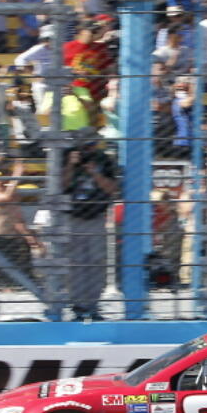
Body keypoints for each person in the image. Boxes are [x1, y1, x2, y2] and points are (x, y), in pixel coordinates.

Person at [60, 133, 118, 320]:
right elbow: (61, 186)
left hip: (96, 217)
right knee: (76, 263)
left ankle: (93, 304)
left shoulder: (104, 160)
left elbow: (112, 189)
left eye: (93, 145)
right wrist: (71, 164)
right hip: (74, 218)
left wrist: (94, 172)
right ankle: (78, 305)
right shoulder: (67, 157)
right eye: (86, 146)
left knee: (96, 262)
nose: (90, 150)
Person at [0, 172, 38, 289]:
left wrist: (28, 236)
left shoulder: (12, 194)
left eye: (4, 176)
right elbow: (5, 199)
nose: (2, 180)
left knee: (16, 270)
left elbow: (17, 217)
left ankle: (15, 287)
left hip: (13, 237)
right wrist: (17, 175)